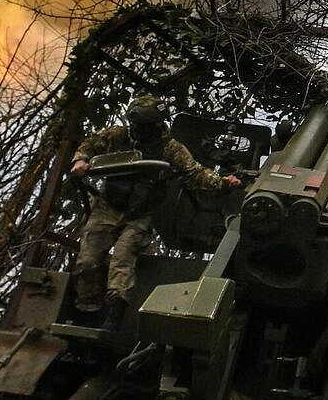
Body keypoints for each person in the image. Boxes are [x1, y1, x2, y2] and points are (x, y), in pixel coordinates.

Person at [70, 95, 240, 331]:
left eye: (143, 126)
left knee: (123, 257)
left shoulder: (170, 149)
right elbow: (89, 145)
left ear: (156, 125)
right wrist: (80, 160)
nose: (137, 130)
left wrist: (223, 182)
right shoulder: (118, 136)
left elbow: (195, 173)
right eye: (135, 125)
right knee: (88, 260)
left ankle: (115, 315)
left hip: (140, 214)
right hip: (107, 206)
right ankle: (88, 310)